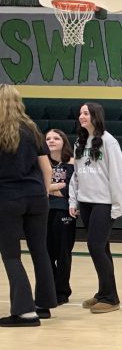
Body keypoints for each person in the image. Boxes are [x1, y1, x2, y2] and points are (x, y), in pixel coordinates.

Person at [0, 85, 56, 326]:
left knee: (11, 255)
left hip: (8, 198)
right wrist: (45, 193)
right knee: (40, 250)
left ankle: (25, 312)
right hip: (36, 197)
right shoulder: (32, 128)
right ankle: (44, 304)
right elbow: (47, 168)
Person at [69, 103, 122, 314]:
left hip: (104, 202)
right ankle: (104, 293)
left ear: (96, 116)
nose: (81, 116)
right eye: (80, 113)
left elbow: (117, 174)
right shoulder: (79, 142)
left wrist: (117, 206)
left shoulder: (109, 141)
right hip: (86, 202)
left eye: (86, 113)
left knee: (95, 246)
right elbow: (76, 175)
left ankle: (111, 298)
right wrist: (74, 201)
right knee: (103, 248)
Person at [44, 129, 76, 305]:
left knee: (63, 253)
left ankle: (62, 291)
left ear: (64, 141)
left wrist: (49, 187)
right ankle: (51, 289)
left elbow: (70, 189)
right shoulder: (41, 161)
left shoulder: (72, 162)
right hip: (43, 211)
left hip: (64, 211)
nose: (51, 141)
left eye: (56, 138)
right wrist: (56, 187)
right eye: (48, 138)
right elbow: (39, 185)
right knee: (45, 253)